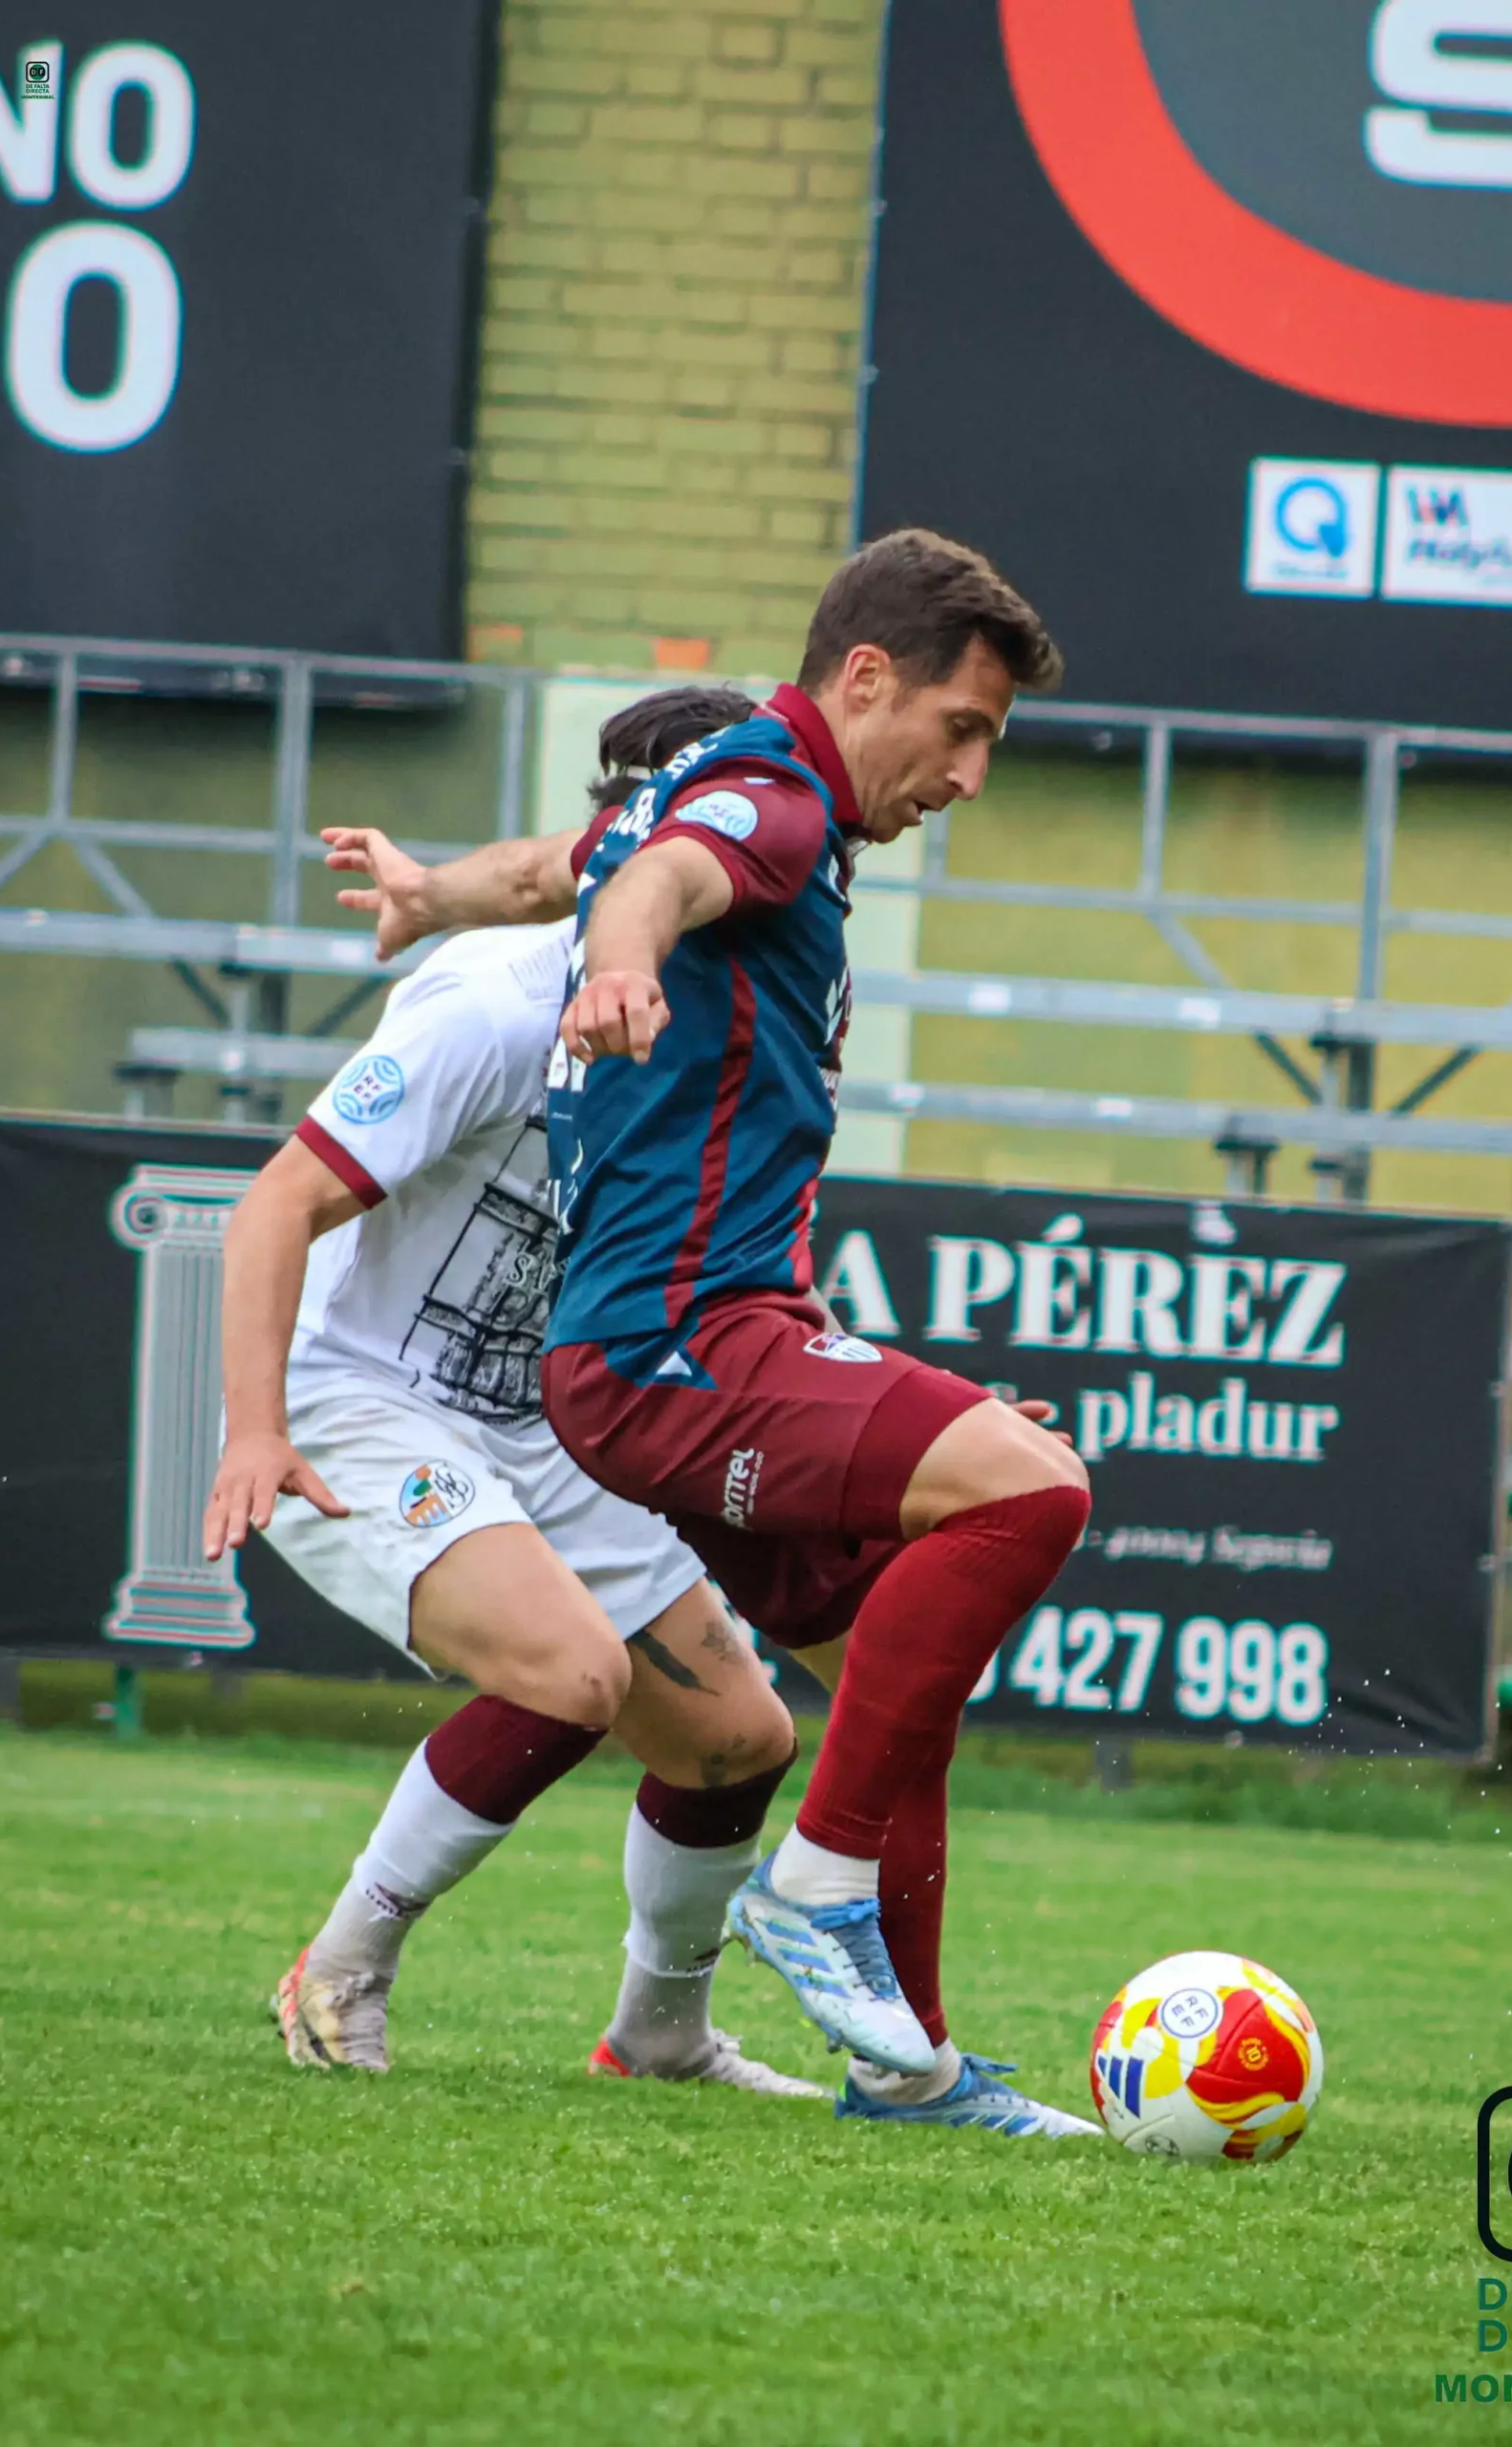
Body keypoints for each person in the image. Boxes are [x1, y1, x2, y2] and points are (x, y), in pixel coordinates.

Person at [321, 532, 1099, 2139]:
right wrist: (616, 971)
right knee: (1034, 1493)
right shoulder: (781, 802)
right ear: (865, 679)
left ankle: (912, 2071)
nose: (968, 776)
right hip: (675, 1351)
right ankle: (813, 1894)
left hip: (671, 1349)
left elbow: (574, 865)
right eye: (963, 731)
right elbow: (652, 886)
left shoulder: (737, 789)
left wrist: (427, 890)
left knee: (897, 1650)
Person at [204, 687, 823, 2100]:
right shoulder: (494, 1007)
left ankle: (660, 2035)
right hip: (365, 1400)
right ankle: (342, 1966)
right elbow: (272, 1208)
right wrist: (255, 1427)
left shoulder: (735, 1029)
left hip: (547, 1421)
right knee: (573, 1675)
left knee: (739, 1740)